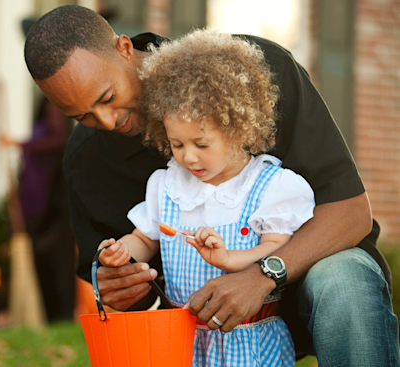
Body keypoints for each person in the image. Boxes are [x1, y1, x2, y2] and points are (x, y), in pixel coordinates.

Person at [24, 5, 399, 365]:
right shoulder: (88, 158)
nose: (106, 122)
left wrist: (260, 277)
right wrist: (119, 286)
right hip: (202, 332)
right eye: (83, 116)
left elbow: (350, 213)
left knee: (344, 280)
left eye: (107, 98)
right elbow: (125, 281)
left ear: (125, 48)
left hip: (311, 282)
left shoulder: (251, 72)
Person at [98, 29, 314, 365]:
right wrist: (121, 252)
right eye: (177, 144)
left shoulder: (270, 186)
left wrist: (230, 261)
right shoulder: (167, 185)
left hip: (248, 340)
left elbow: (276, 247)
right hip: (183, 339)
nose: (189, 159)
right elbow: (145, 237)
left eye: (201, 144)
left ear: (238, 129)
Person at [0, 96, 77, 323]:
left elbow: (57, 139)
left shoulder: (56, 103)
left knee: (54, 258)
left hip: (52, 200)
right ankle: (48, 313)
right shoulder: (49, 103)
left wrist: (18, 144)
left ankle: (59, 315)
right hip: (45, 199)